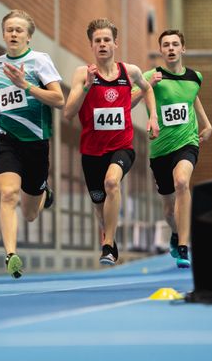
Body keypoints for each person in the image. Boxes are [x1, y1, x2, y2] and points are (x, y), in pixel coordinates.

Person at [0, 10, 64, 278]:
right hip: (6, 139)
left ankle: (44, 193)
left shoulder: (40, 62)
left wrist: (26, 86)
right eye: (9, 29)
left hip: (36, 142)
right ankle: (11, 255)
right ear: (3, 33)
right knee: (8, 194)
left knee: (30, 214)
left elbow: (59, 99)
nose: (13, 34)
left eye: (19, 30)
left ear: (28, 36)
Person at [63, 18, 159, 266]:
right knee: (99, 204)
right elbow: (68, 113)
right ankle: (109, 238)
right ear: (92, 45)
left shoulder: (130, 72)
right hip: (92, 151)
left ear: (115, 43)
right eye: (98, 41)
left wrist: (153, 118)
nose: (103, 44)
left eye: (107, 40)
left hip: (122, 147)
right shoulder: (82, 74)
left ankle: (108, 244)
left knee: (111, 183)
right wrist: (86, 88)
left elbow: (147, 89)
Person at [142, 29, 212, 268]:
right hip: (160, 148)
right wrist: (146, 86)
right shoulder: (151, 75)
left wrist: (207, 123)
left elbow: (192, 97)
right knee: (169, 211)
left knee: (182, 182)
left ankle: (184, 246)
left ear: (183, 49)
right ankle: (175, 233)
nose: (170, 48)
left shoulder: (195, 77)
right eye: (166, 45)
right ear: (160, 50)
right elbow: (128, 100)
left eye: (175, 44)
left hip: (187, 142)